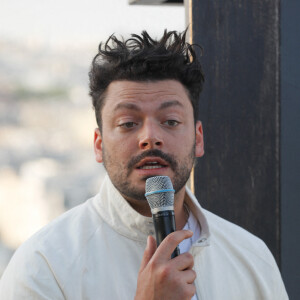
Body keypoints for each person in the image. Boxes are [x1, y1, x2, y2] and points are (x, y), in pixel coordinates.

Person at [0, 29, 288, 300]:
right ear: (99, 145)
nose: (150, 137)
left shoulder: (251, 257)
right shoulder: (44, 265)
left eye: (171, 121)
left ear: (198, 139)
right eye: (128, 123)